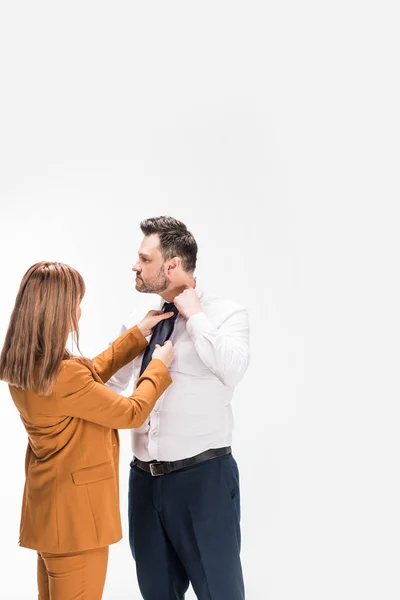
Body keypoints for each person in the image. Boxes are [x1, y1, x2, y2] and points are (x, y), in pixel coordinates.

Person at [0, 261, 175, 600]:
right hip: (77, 528)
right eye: (76, 302)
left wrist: (136, 336)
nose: (79, 311)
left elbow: (87, 375)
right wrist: (157, 367)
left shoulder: (25, 366)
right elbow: (132, 412)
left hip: (52, 521)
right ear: (58, 311)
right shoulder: (63, 377)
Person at [107, 216, 250, 600]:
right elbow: (106, 387)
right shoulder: (142, 322)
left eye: (143, 258)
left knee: (220, 593)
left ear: (171, 265)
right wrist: (133, 340)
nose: (134, 266)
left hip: (204, 481)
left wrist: (196, 318)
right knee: (156, 593)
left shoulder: (224, 315)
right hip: (144, 484)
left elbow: (233, 369)